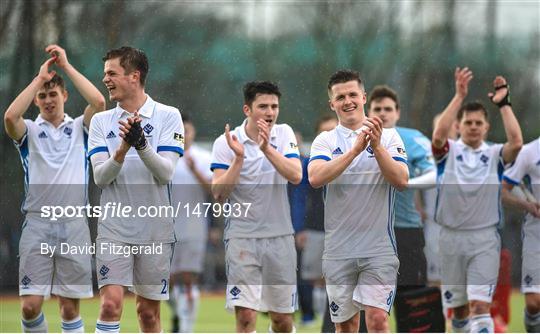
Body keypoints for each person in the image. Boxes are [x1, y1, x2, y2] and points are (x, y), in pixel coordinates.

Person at [4, 44, 105, 333]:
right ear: (36, 100)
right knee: (30, 305)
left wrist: (67, 66)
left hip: (74, 224)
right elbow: (10, 118)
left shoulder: (79, 129)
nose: (48, 100)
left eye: (53, 94)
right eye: (43, 96)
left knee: (70, 307)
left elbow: (99, 102)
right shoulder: (30, 131)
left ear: (65, 96)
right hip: (37, 224)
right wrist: (38, 79)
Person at [88, 46, 184, 333]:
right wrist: (121, 150)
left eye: (111, 73)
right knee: (109, 305)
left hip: (155, 229)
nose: (105, 79)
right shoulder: (100, 121)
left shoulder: (168, 115)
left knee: (148, 314)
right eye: (105, 73)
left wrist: (141, 145)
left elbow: (165, 173)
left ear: (134, 76)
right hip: (114, 229)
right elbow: (100, 178)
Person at [308, 69, 409, 332]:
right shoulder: (325, 140)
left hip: (378, 249)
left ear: (364, 97)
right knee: (345, 326)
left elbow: (401, 180)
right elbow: (315, 177)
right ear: (332, 104)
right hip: (339, 250)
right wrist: (354, 151)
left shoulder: (388, 137)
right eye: (340, 97)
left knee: (377, 320)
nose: (348, 101)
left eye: (353, 94)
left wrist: (376, 147)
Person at [431, 67, 522, 333]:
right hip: (451, 238)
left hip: (484, 239)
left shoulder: (495, 154)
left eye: (478, 123)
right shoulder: (449, 152)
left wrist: (504, 104)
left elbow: (516, 143)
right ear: (459, 126)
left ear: (486, 126)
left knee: (480, 306)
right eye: (467, 122)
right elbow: (438, 136)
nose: (473, 127)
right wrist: (459, 96)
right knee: (458, 311)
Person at [210, 81, 302, 333]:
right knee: (247, 317)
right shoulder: (226, 142)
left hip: (280, 238)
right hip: (242, 239)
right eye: (263, 106)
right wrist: (238, 159)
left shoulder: (283, 134)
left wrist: (267, 148)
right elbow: (218, 192)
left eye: (274, 106)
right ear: (247, 110)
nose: (270, 112)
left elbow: (296, 175)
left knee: (282, 320)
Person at [367, 85, 439, 331]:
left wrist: (407, 183)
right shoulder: (354, 137)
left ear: (398, 113)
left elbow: (434, 175)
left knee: (413, 307)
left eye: (388, 109)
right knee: (373, 312)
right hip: (368, 232)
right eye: (378, 109)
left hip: (405, 231)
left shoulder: (412, 138)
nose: (383, 113)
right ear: (369, 111)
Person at [169, 114, 212, 332]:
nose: (184, 135)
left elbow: (215, 191)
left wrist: (195, 170)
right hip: (165, 228)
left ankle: (187, 328)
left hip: (194, 227)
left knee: (188, 277)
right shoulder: (164, 158)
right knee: (165, 281)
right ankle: (177, 314)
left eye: (188, 130)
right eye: (180, 131)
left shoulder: (203, 158)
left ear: (193, 132)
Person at [501, 137, 540, 333]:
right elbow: (503, 191)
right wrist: (527, 205)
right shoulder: (529, 152)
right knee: (534, 303)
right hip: (535, 235)